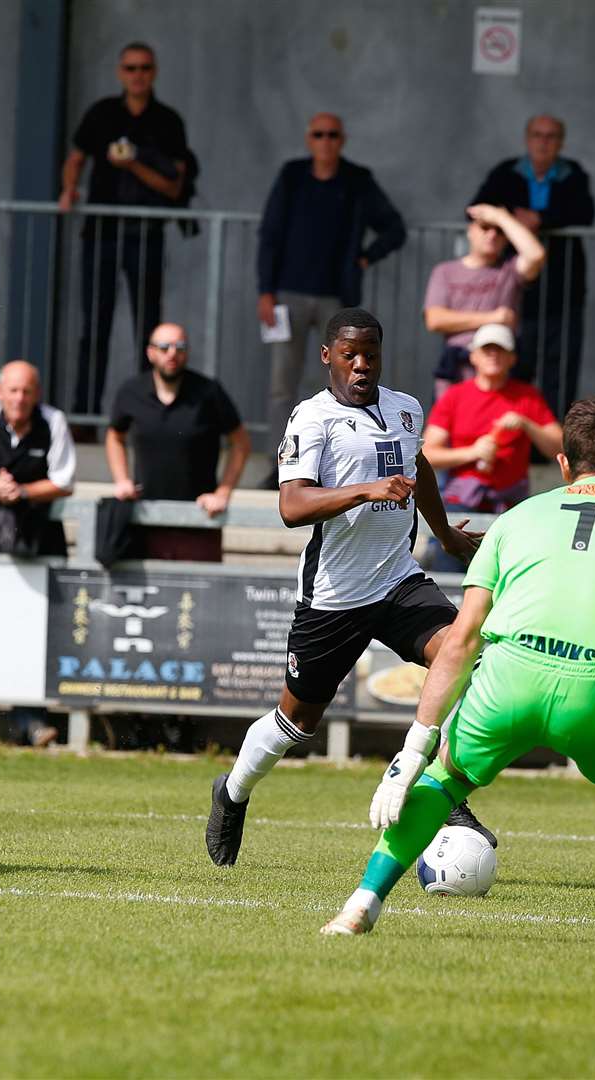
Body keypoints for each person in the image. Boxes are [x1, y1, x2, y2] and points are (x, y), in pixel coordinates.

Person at [321, 398, 595, 942]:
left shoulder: (513, 520)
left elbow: (460, 640)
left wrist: (413, 750)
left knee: (445, 778)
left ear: (564, 465)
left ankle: (360, 905)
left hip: (508, 678)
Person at [204, 308, 492, 867]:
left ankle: (443, 793)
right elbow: (291, 506)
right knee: (296, 722)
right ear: (327, 356)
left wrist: (445, 535)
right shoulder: (312, 419)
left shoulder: (406, 408)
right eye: (350, 355)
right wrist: (364, 491)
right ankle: (232, 793)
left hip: (397, 580)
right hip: (334, 598)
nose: (362, 366)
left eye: (372, 355)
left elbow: (421, 467)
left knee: (464, 660)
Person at [255, 113, 406, 480]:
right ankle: (282, 467)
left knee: (346, 382)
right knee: (282, 386)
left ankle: (338, 465)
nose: (325, 141)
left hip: (338, 303)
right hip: (288, 296)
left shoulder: (357, 180)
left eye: (332, 135)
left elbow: (394, 228)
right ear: (309, 139)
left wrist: (366, 257)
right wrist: (265, 292)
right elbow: (270, 235)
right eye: (318, 135)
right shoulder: (292, 176)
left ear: (342, 140)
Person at [58, 42, 192, 418]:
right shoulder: (102, 113)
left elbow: (174, 186)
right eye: (131, 68)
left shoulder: (167, 121)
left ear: (154, 72)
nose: (137, 74)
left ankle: (142, 412)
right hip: (102, 233)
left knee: (148, 332)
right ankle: (84, 413)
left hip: (146, 234)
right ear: (121, 73)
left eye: (144, 68)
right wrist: (69, 187)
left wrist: (133, 165)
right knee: (94, 327)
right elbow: (75, 158)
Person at [472, 115, 595, 417]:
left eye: (551, 136)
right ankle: (512, 439)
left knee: (561, 365)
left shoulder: (573, 174)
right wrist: (512, 220)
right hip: (515, 289)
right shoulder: (506, 173)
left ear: (561, 142)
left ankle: (550, 441)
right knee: (516, 361)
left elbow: (585, 212)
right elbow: (477, 208)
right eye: (538, 135)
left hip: (563, 287)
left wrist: (541, 220)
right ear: (527, 139)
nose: (544, 142)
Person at [422, 324, 562, 571]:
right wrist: (472, 452)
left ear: (512, 358)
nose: (493, 355)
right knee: (448, 562)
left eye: (500, 350)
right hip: (461, 498)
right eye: (487, 350)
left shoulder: (527, 397)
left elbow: (560, 447)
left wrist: (528, 425)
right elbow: (427, 453)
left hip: (510, 503)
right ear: (473, 356)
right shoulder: (455, 397)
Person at [106, 321, 250, 561]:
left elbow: (241, 443)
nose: (172, 353)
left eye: (180, 347)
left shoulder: (208, 392)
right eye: (164, 347)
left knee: (199, 596)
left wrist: (223, 493)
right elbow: (114, 436)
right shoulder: (131, 392)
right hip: (144, 518)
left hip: (199, 520)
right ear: (150, 353)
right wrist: (121, 480)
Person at [0, 359, 77, 557]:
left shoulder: (54, 421)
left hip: (43, 528)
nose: (20, 398)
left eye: (26, 391)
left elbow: (64, 483)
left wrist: (23, 491)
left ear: (37, 394)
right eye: (13, 390)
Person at [422, 204, 544, 399]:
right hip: (458, 368)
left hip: (499, 369)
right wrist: (493, 318)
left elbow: (536, 255)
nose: (492, 235)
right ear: (470, 231)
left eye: (499, 231)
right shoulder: (445, 271)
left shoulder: (509, 270)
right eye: (485, 227)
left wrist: (501, 217)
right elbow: (434, 319)